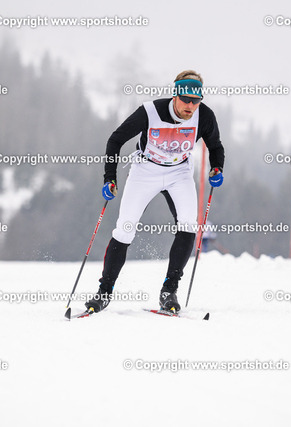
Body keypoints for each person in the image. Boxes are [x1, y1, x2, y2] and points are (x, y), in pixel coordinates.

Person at [85, 70, 225, 313]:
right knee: (125, 228)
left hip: (179, 172)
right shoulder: (150, 111)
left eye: (196, 101)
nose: (190, 106)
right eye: (186, 100)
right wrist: (110, 178)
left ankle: (169, 291)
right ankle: (104, 293)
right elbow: (115, 140)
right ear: (175, 95)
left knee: (188, 225)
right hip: (145, 170)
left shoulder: (204, 115)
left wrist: (217, 168)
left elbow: (215, 146)